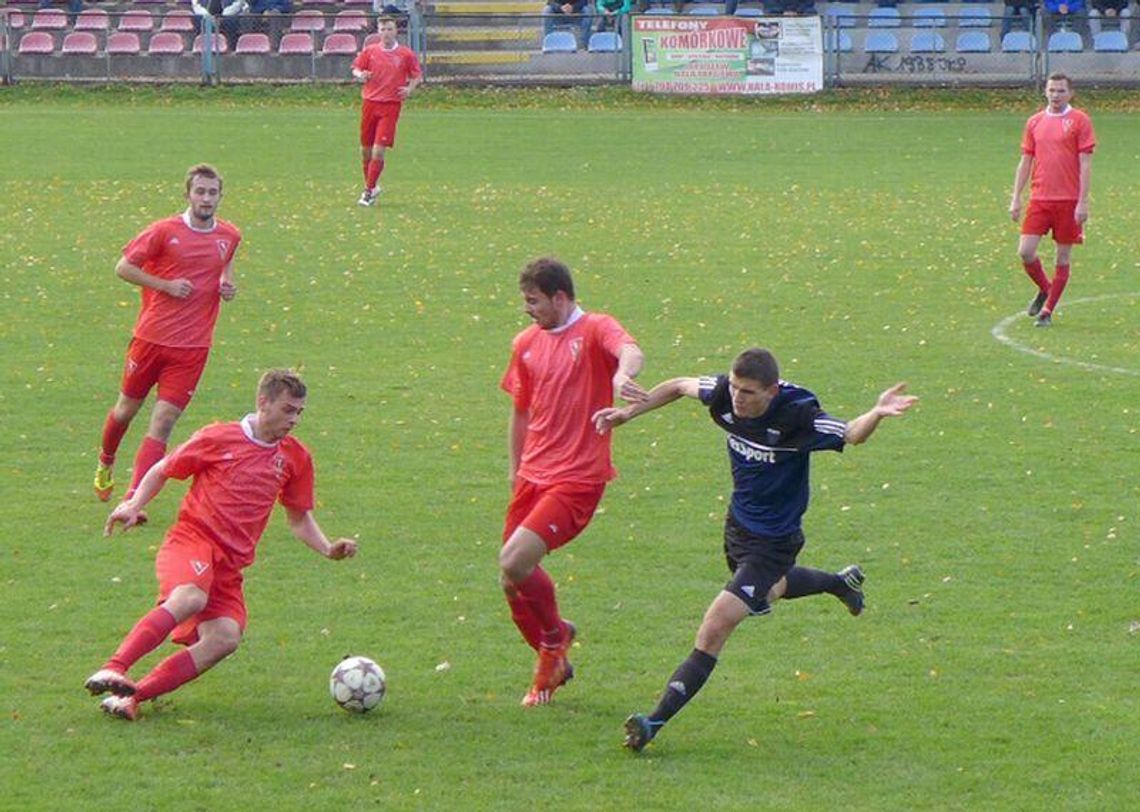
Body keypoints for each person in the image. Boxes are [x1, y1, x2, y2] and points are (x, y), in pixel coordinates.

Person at [591, 348, 917, 752]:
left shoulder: (798, 414)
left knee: (716, 625)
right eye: (735, 388)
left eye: (748, 392)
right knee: (768, 591)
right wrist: (627, 414)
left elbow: (850, 433)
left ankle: (653, 721)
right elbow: (678, 386)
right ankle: (838, 582)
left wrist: (877, 413)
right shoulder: (724, 394)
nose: (738, 399)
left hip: (776, 542)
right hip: (738, 528)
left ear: (772, 391)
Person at [86, 369, 359, 721]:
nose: (294, 420)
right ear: (263, 402)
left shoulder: (295, 457)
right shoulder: (219, 437)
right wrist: (134, 504)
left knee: (225, 637)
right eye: (288, 410)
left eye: (299, 412)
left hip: (228, 567)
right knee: (190, 597)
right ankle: (114, 666)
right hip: (192, 542)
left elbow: (298, 518)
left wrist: (327, 548)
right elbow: (163, 469)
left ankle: (132, 698)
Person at [499, 257, 647, 707]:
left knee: (515, 560)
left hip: (578, 477)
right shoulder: (525, 343)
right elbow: (521, 411)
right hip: (533, 475)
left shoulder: (595, 329)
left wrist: (623, 375)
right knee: (510, 580)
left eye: (534, 301)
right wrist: (515, 467)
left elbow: (630, 350)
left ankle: (552, 644)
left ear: (560, 298)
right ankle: (556, 641)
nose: (528, 310)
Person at [93, 164, 240, 505]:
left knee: (163, 423)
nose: (206, 198)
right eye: (200, 191)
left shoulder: (230, 235)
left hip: (192, 348)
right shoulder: (163, 231)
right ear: (187, 194)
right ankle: (106, 461)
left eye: (212, 192)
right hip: (150, 339)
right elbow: (123, 267)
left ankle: (133, 501)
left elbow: (226, 262)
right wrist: (166, 286)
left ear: (220, 196)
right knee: (125, 410)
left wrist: (225, 284)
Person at [1009, 72, 1096, 327]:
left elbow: (1085, 164)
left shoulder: (1080, 121)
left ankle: (1047, 311)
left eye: (1060, 91)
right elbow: (1025, 161)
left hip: (1068, 200)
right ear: (1045, 92)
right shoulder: (1035, 122)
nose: (1055, 95)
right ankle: (1046, 288)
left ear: (1070, 93)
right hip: (1040, 198)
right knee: (1025, 252)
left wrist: (1083, 201)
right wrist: (1016, 197)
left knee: (1062, 257)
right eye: (1051, 90)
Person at [350, 16, 424, 208]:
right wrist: (361, 75)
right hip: (369, 104)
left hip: (390, 106)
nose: (386, 33)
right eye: (382, 29)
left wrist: (409, 89)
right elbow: (356, 69)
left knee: (378, 150)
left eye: (389, 29)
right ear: (378, 31)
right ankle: (372, 186)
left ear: (395, 31)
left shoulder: (405, 54)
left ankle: (368, 192)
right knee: (365, 151)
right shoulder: (370, 51)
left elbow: (417, 75)